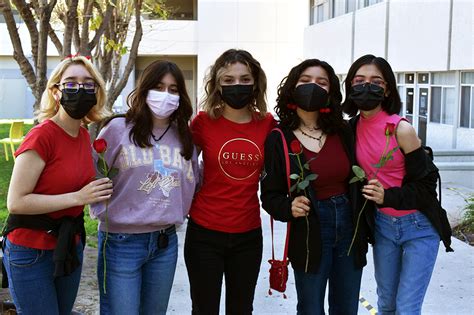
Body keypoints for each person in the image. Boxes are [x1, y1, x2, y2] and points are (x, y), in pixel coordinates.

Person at [342, 54, 453, 315]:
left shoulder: (401, 129)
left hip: (418, 226)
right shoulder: (350, 128)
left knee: (406, 308)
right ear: (349, 85)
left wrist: (388, 197)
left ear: (387, 89)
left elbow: (426, 186)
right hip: (383, 227)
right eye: (359, 80)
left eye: (376, 81)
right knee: (386, 304)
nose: (366, 86)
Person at [2, 55, 112, 314]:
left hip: (69, 245)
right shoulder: (42, 136)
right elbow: (15, 202)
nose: (80, 90)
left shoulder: (83, 135)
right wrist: (78, 197)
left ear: (97, 92)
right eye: (71, 84)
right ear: (55, 91)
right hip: (31, 251)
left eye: (88, 85)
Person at [261, 59, 370, 314]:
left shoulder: (343, 131)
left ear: (330, 92)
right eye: (305, 81)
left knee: (346, 307)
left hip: (350, 226)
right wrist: (290, 206)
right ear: (292, 87)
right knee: (310, 308)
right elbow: (269, 196)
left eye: (322, 83)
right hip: (310, 229)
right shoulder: (279, 138)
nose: (313, 87)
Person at [89, 60, 198, 314]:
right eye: (159, 87)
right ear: (144, 89)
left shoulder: (185, 137)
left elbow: (193, 182)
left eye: (173, 90)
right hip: (120, 241)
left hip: (164, 241)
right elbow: (93, 175)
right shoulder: (117, 129)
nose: (166, 96)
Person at [184, 49, 275, 314]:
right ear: (217, 85)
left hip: (248, 233)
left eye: (245, 79)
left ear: (256, 82)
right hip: (204, 232)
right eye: (229, 80)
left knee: (241, 309)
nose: (238, 86)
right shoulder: (202, 123)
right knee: (204, 309)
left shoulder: (268, 124)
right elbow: (180, 166)